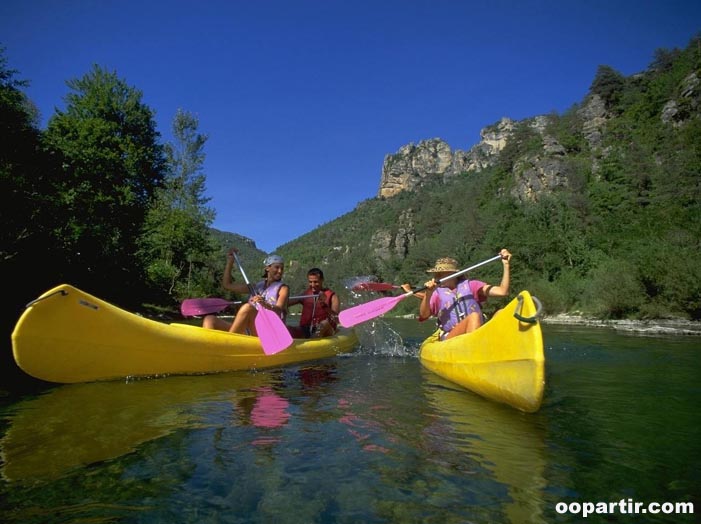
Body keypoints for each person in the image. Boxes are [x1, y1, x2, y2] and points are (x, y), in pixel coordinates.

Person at [416, 249, 512, 340]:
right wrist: (428, 294)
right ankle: (474, 348)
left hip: (478, 332)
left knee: (502, 312)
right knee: (474, 317)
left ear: (453, 274)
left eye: (441, 274)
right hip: (451, 336)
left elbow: (502, 291)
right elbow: (424, 315)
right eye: (436, 274)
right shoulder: (436, 293)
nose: (437, 277)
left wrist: (506, 265)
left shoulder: (472, 285)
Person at [203, 248, 290, 335]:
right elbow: (227, 285)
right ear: (267, 268)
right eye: (277, 267)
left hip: (269, 330)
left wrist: (265, 304)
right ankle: (210, 346)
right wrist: (230, 262)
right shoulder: (255, 287)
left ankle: (228, 342)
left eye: (282, 268)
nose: (280, 271)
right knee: (209, 320)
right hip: (250, 328)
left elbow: (279, 310)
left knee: (248, 308)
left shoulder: (283, 288)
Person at [288, 268, 339, 338]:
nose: (313, 285)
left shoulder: (333, 296)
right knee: (288, 329)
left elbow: (336, 318)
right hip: (306, 329)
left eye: (316, 282)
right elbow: (285, 303)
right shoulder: (305, 294)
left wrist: (324, 305)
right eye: (310, 282)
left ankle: (313, 341)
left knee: (324, 324)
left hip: (325, 330)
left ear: (322, 280)